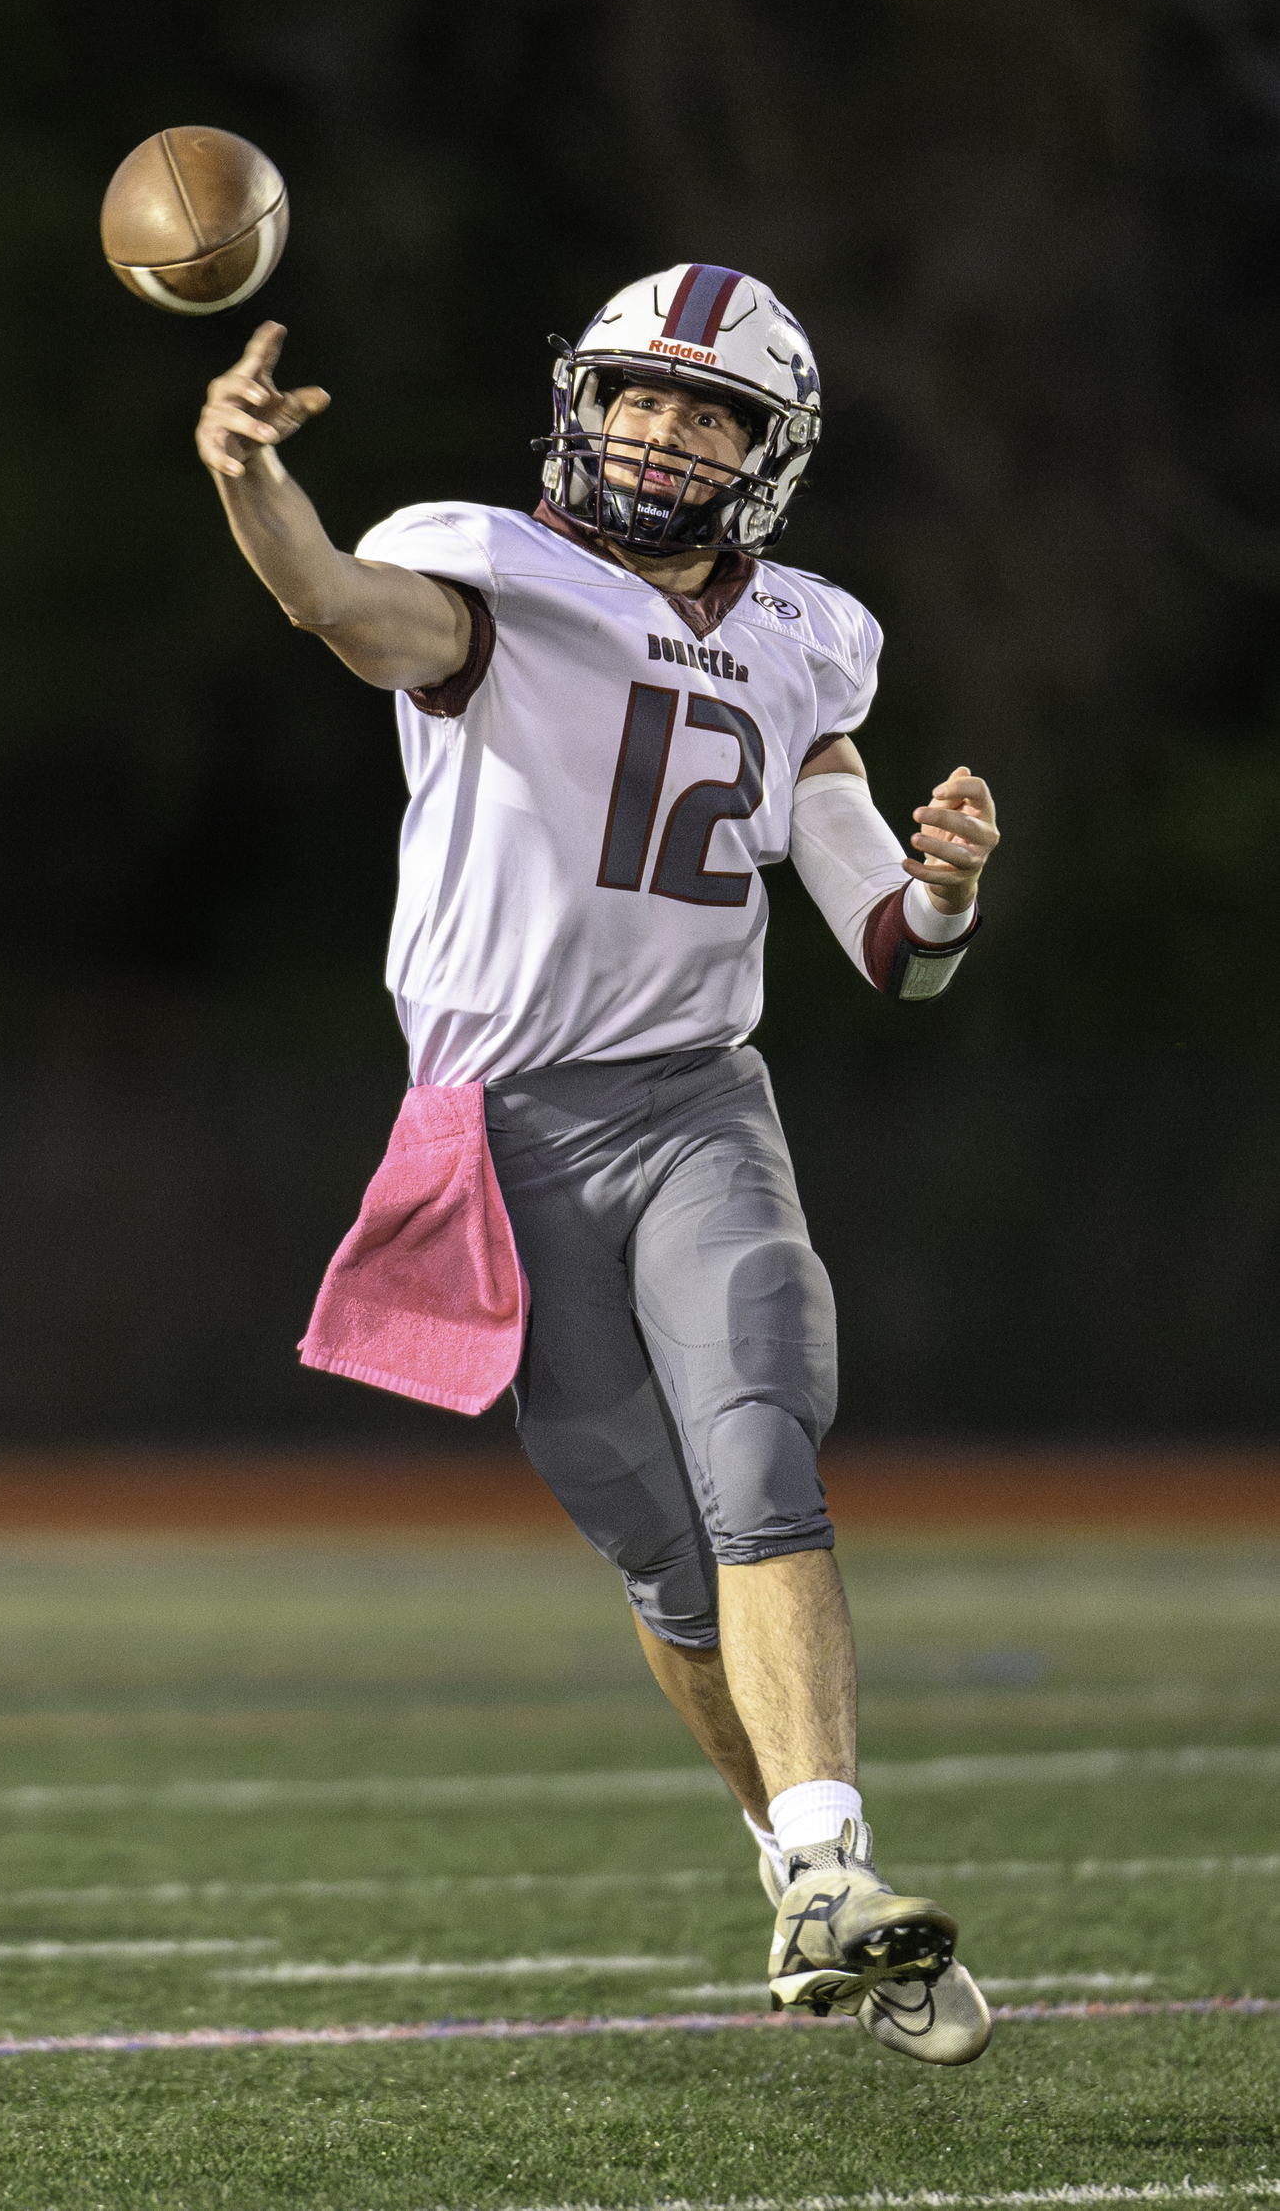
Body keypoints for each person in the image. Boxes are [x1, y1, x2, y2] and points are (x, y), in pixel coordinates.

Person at [196, 265, 1000, 2065]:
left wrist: (941, 892)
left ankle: (833, 1857)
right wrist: (249, 478)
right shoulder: (498, 572)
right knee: (665, 1556)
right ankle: (790, 1867)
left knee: (763, 1445)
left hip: (701, 1096)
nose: (659, 429)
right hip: (504, 1131)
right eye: (637, 394)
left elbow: (890, 941)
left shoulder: (808, 636)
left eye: (705, 410)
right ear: (583, 400)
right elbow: (331, 598)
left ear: (762, 456)